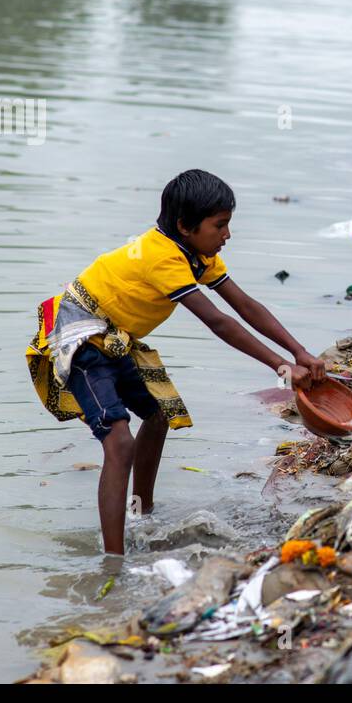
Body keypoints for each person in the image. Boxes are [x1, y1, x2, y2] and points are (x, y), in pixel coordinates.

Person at [24, 169, 326, 554]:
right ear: (185, 226)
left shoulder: (198, 254)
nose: (227, 235)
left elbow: (244, 305)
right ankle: (113, 562)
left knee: (158, 415)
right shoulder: (161, 257)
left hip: (116, 337)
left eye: (227, 225)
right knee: (119, 442)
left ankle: (141, 514)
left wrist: (298, 351)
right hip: (82, 339)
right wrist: (281, 366)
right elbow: (217, 321)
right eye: (220, 226)